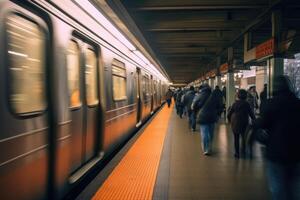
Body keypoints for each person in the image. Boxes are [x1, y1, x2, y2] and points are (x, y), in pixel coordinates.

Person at [254, 75, 300, 200]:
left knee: (277, 186)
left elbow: (261, 124)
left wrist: (259, 135)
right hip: (296, 152)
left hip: (276, 151)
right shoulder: (297, 103)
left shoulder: (271, 104)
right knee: (293, 186)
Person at [227, 89, 255, 158]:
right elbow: (251, 114)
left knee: (236, 138)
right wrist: (255, 120)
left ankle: (237, 153)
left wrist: (229, 121)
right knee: (243, 137)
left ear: (238, 95)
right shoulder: (247, 104)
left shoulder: (235, 104)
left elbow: (229, 114)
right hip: (244, 123)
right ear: (246, 96)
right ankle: (243, 151)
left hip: (235, 123)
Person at [195, 85, 223, 155]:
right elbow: (220, 106)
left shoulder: (200, 95)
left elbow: (194, 105)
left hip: (202, 117)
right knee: (211, 134)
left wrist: (197, 111)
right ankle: (209, 147)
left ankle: (206, 149)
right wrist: (217, 114)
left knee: (204, 133)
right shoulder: (214, 95)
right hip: (212, 117)